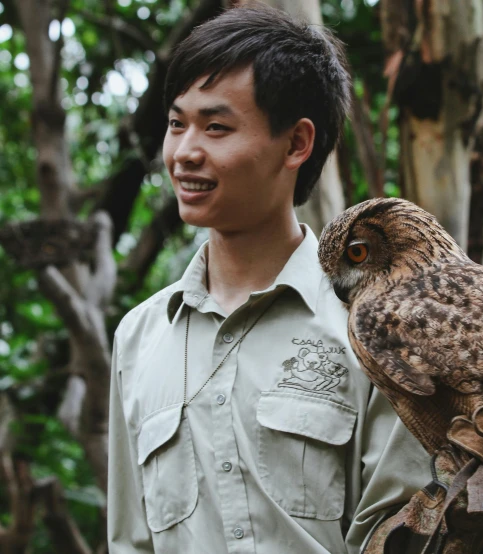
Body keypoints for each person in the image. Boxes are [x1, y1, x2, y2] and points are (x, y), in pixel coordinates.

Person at [107, 4, 430, 553]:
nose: (185, 153)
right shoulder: (139, 338)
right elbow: (130, 541)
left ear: (297, 144)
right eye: (176, 124)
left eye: (215, 127)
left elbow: (403, 537)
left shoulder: (375, 329)